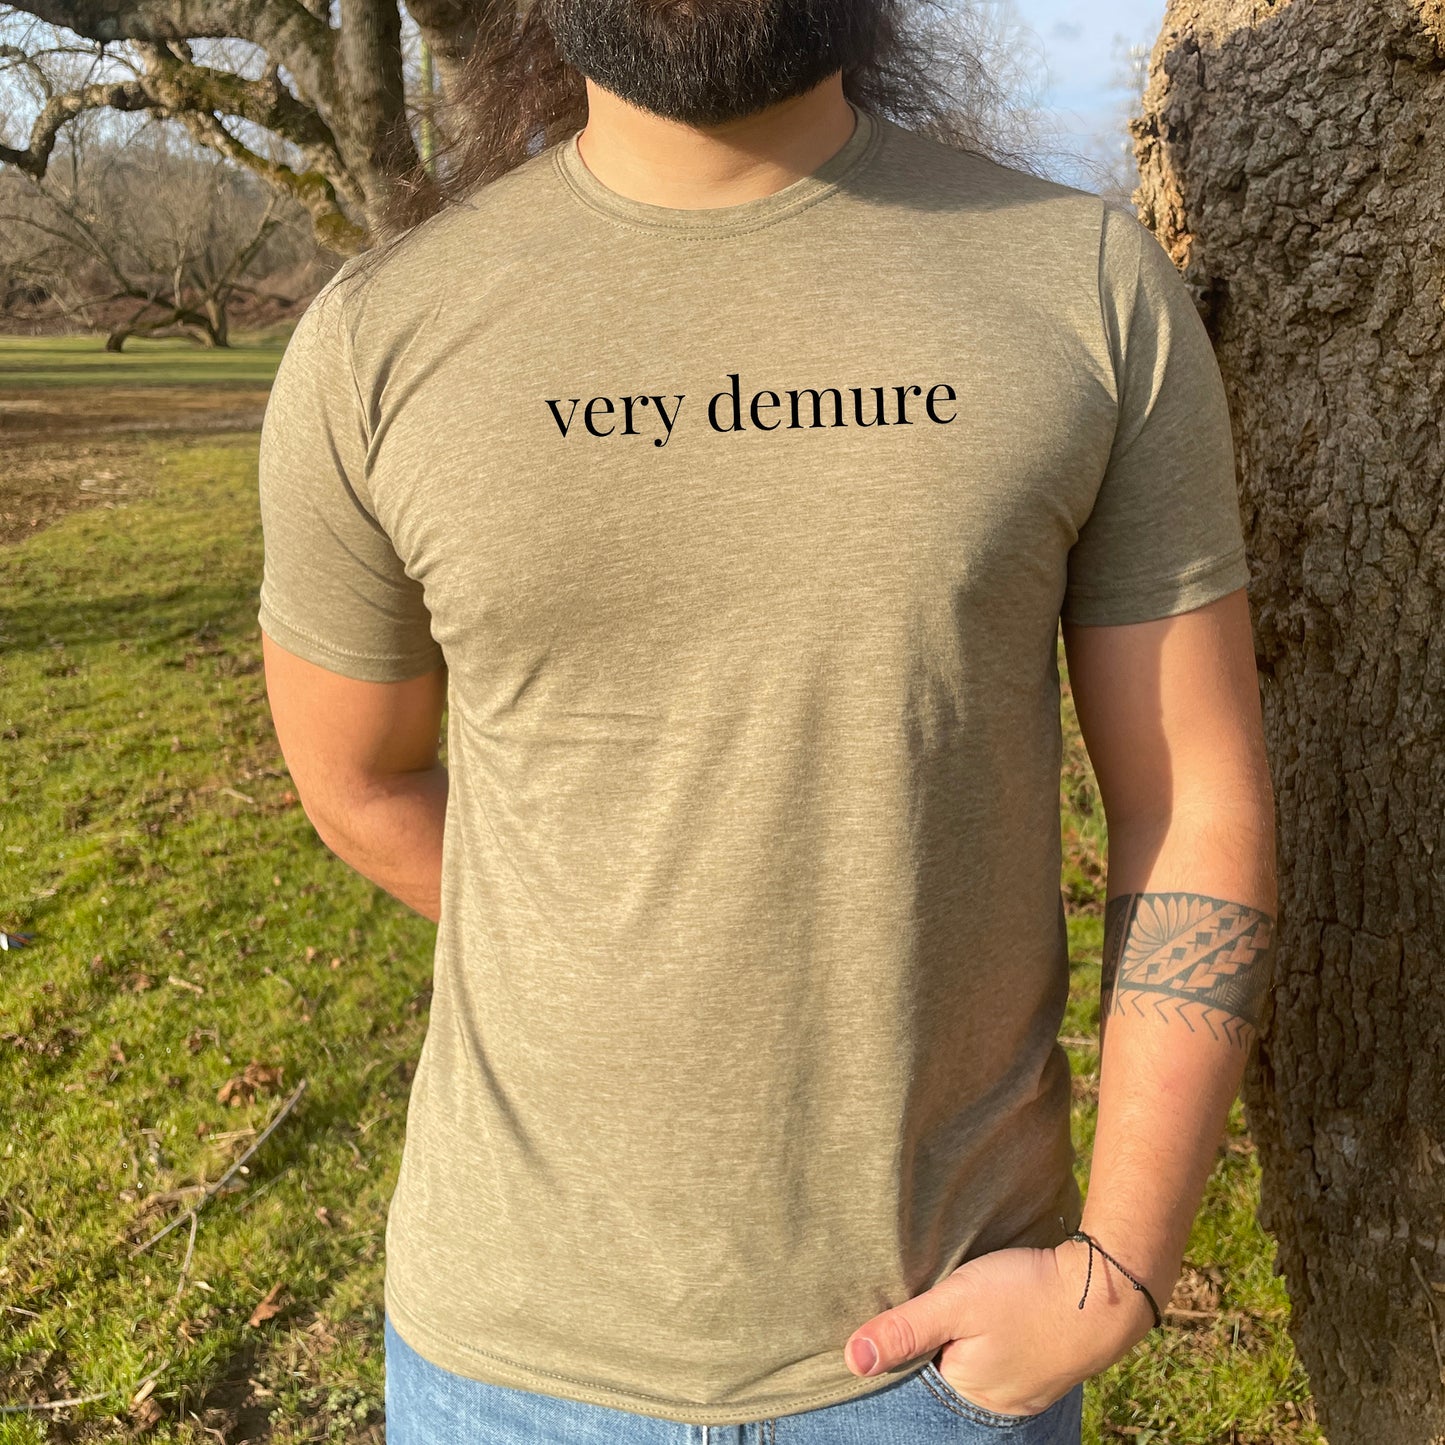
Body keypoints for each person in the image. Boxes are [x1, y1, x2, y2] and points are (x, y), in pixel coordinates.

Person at [256, 1, 1279, 1440]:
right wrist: (626, 952)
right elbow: (356, 781)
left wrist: (1114, 1272)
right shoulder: (377, 340)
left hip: (936, 1368)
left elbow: (1192, 800)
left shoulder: (1081, 285)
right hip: (506, 1367)